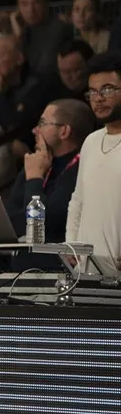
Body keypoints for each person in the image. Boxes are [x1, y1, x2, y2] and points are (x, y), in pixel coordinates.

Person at [8, 99, 93, 243]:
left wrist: (34, 179)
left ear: (64, 131)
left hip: (56, 262)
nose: (35, 130)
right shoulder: (37, 161)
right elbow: (10, 220)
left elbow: (41, 225)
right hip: (23, 260)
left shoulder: (82, 168)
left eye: (42, 123)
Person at [67, 53, 121, 270]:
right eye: (93, 92)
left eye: (108, 89)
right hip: (87, 271)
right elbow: (78, 200)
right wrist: (70, 244)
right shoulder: (91, 141)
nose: (98, 98)